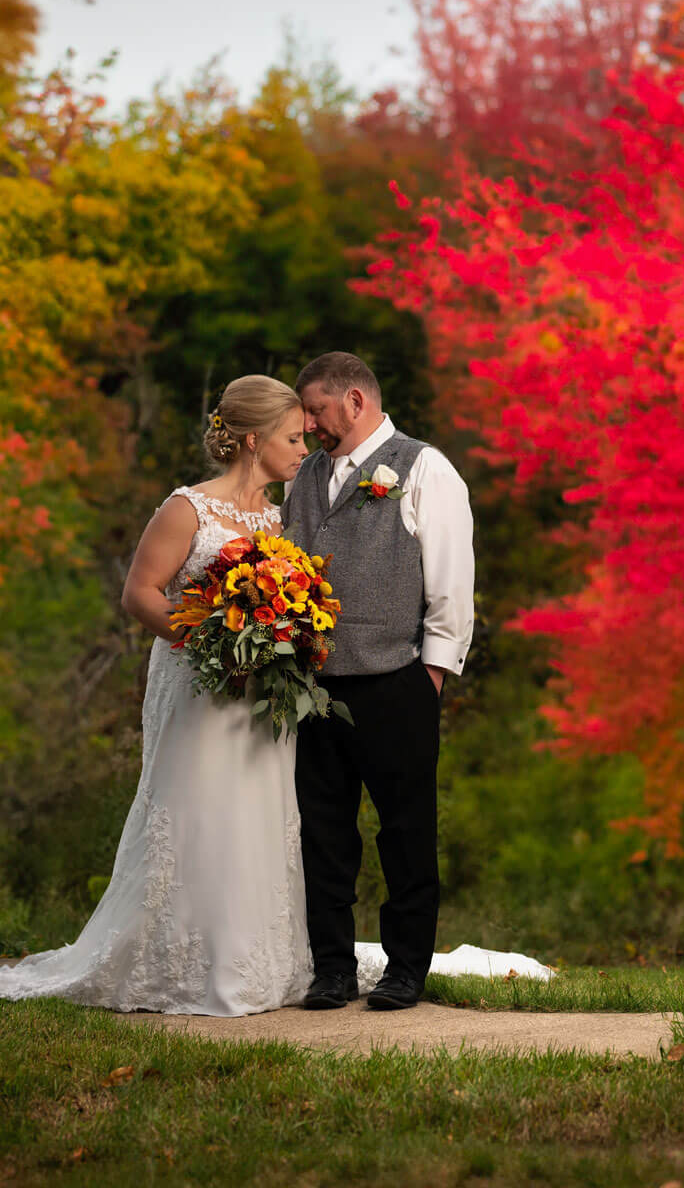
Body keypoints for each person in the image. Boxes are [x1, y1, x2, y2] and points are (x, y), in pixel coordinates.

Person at [0, 375, 315, 1015]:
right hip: (199, 682)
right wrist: (214, 642)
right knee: (196, 805)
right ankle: (176, 957)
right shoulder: (187, 509)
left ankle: (256, 959)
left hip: (259, 694)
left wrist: (276, 646)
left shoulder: (284, 515)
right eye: (293, 437)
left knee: (258, 808)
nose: (304, 449)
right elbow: (139, 593)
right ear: (253, 438)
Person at [284, 351, 475, 1011]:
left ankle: (405, 972)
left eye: (317, 410)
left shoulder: (426, 468)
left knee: (405, 833)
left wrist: (432, 677)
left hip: (399, 682)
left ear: (357, 400)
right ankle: (331, 969)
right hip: (314, 690)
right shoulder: (303, 477)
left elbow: (452, 582)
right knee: (321, 833)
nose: (309, 426)